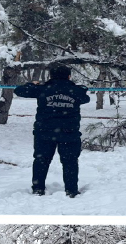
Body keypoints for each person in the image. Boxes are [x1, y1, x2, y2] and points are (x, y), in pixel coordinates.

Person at [14, 64, 91, 197]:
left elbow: (19, 90)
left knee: (41, 161)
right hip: (69, 132)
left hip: (44, 132)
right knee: (70, 162)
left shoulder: (43, 88)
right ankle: (71, 190)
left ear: (50, 76)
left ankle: (38, 188)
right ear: (69, 76)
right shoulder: (75, 91)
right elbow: (86, 98)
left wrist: (32, 84)